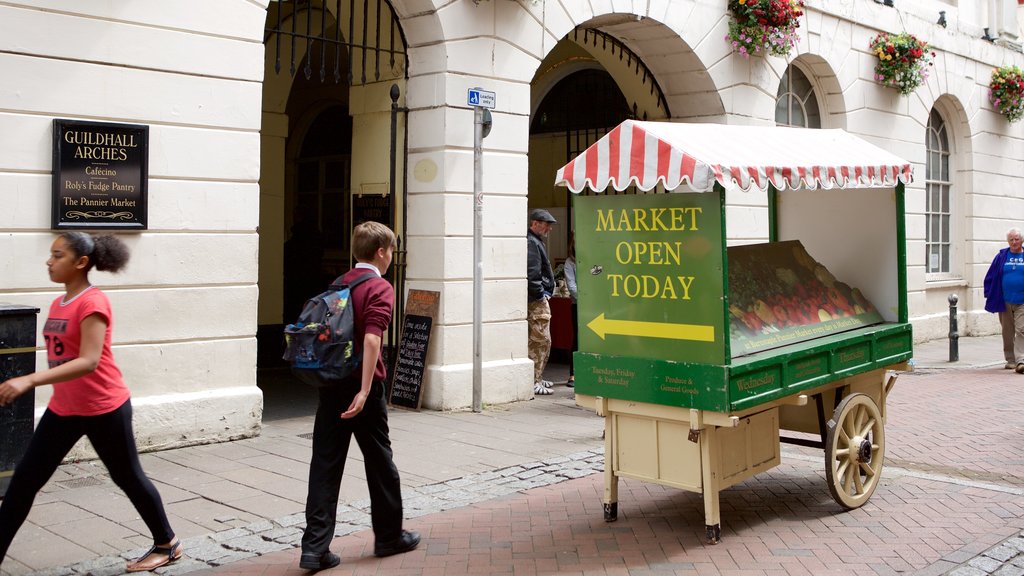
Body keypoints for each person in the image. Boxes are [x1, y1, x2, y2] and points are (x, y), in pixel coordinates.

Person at [0, 232, 182, 572]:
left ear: (81, 262)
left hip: (104, 407)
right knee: (24, 481)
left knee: (128, 476)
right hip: (65, 409)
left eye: (58, 255)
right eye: (51, 255)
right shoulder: (59, 303)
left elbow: (89, 361)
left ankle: (166, 543)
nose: (49, 261)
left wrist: (28, 379)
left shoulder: (92, 302)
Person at [299, 221, 419, 571]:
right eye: (392, 251)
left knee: (324, 465)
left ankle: (315, 548)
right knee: (381, 463)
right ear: (381, 252)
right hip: (362, 387)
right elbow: (371, 339)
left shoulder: (340, 283)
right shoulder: (379, 287)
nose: (392, 257)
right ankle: (389, 536)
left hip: (331, 384)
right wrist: (365, 391)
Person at [984, 227, 1024, 372]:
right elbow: (990, 276)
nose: (1014, 242)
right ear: (1008, 241)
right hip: (1004, 300)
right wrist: (989, 293)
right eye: (1011, 240)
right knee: (1007, 331)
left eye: (1017, 239)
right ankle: (1011, 360)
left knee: (1021, 329)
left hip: (1022, 301)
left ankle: (1021, 360)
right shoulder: (1001, 257)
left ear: (1022, 240)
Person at [527, 208, 557, 396]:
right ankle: (533, 379)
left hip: (538, 297)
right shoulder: (532, 242)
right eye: (547, 224)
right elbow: (533, 273)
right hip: (536, 300)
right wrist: (540, 294)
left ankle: (537, 376)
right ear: (535, 223)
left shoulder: (535, 241)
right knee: (541, 339)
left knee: (542, 338)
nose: (549, 229)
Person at [564, 232, 578, 388]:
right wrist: (587, 301)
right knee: (578, 339)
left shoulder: (593, 261)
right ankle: (573, 374)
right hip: (578, 305)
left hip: (594, 306)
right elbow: (572, 287)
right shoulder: (570, 263)